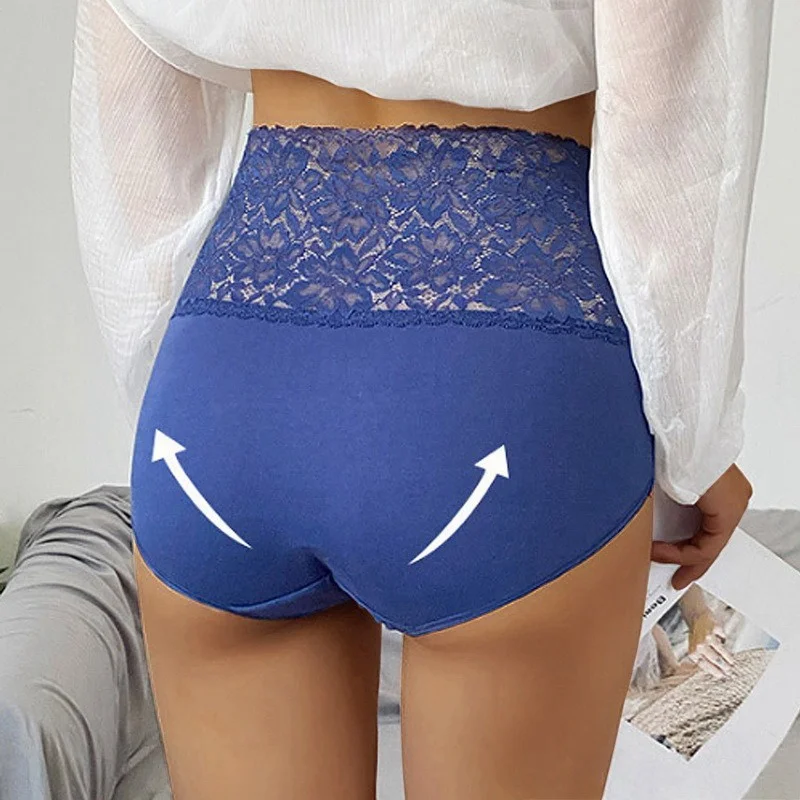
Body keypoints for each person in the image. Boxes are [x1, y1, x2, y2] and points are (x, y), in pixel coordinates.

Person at [69, 1, 772, 797]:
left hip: (223, 378)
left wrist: (195, 402)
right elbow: (673, 112)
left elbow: (133, 133)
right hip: (508, 367)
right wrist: (691, 443)